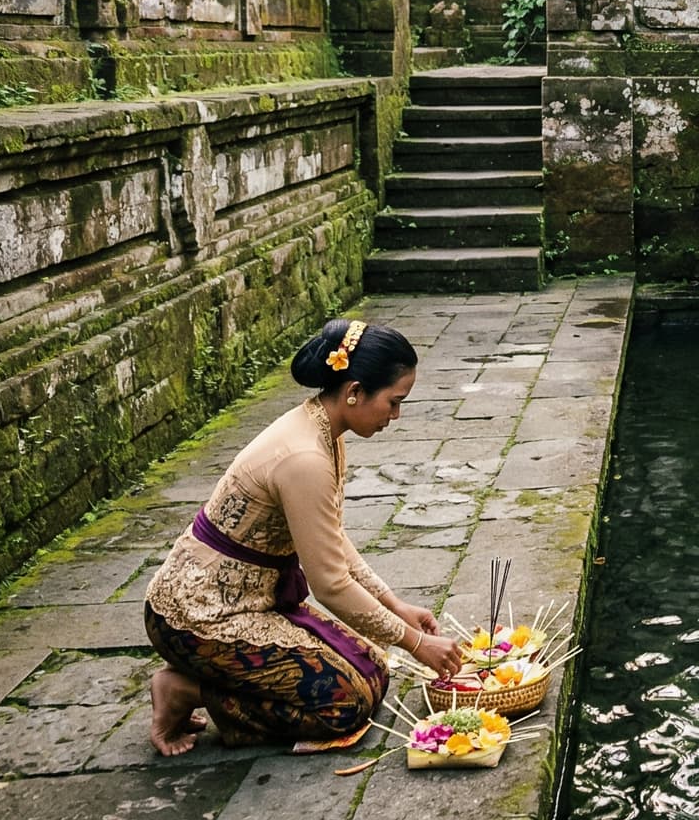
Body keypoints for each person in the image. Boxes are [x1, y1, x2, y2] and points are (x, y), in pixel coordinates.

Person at [143, 319, 464, 754]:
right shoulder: (305, 456)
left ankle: (202, 684)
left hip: (251, 601)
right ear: (354, 392)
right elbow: (330, 584)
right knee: (346, 704)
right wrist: (418, 643)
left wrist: (395, 607)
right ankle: (185, 691)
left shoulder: (324, 431)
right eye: (393, 402)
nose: (396, 416)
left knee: (374, 670)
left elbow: (330, 536)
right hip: (197, 617)